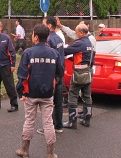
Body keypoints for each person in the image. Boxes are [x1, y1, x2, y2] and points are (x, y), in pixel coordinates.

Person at [15, 23, 63, 158]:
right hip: (47, 93)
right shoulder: (54, 53)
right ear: (47, 37)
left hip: (31, 93)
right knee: (48, 123)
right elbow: (59, 72)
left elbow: (22, 75)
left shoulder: (28, 53)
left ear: (35, 37)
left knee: (29, 121)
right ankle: (50, 153)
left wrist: (21, 93)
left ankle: (24, 150)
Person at [37, 16, 65, 134]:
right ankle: (58, 126)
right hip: (59, 73)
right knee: (58, 102)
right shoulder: (58, 38)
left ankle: (48, 128)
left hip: (51, 76)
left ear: (49, 26)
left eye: (43, 24)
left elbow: (47, 58)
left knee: (48, 103)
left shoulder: (48, 40)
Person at [63, 24, 94, 128]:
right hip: (88, 71)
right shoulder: (90, 42)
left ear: (81, 33)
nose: (76, 35)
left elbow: (65, 51)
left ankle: (72, 122)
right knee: (87, 95)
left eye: (76, 32)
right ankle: (87, 119)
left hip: (79, 72)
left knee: (72, 95)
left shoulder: (80, 43)